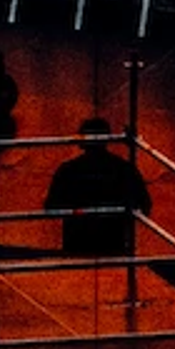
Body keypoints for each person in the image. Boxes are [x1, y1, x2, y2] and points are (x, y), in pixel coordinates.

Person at [47, 109, 145, 255]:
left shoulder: (68, 170)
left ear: (83, 140)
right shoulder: (123, 168)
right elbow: (143, 204)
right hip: (113, 244)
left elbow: (51, 207)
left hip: (77, 244)